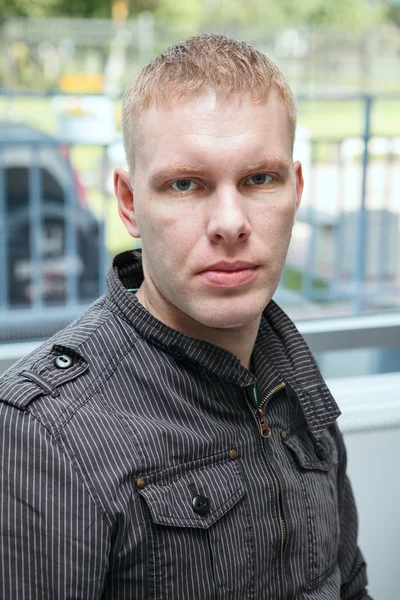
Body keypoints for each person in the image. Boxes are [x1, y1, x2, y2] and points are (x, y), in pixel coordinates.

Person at [0, 34, 371, 599]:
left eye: (259, 179)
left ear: (297, 189)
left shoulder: (291, 371)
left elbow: (349, 586)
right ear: (128, 203)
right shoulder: (46, 433)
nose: (230, 222)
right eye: (185, 184)